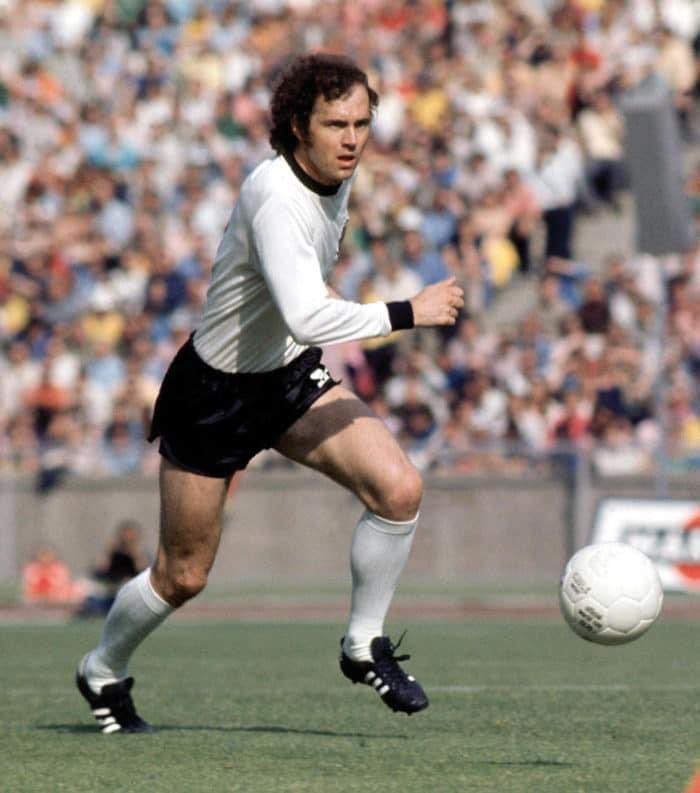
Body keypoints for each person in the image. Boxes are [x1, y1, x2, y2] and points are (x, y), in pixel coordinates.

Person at [75, 53, 464, 734]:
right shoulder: (274, 193)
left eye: (362, 123)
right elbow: (307, 315)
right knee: (182, 576)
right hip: (214, 393)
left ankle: (362, 643)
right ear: (295, 127)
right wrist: (408, 311)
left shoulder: (336, 172)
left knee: (399, 488)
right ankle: (102, 669)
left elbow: (298, 332)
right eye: (335, 123)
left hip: (285, 378)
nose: (352, 138)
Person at [74, 519, 150, 617]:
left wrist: (134, 553)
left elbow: (145, 572)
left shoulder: (142, 555)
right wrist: (108, 552)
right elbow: (98, 570)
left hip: (132, 595)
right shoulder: (114, 554)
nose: (127, 541)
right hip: (110, 594)